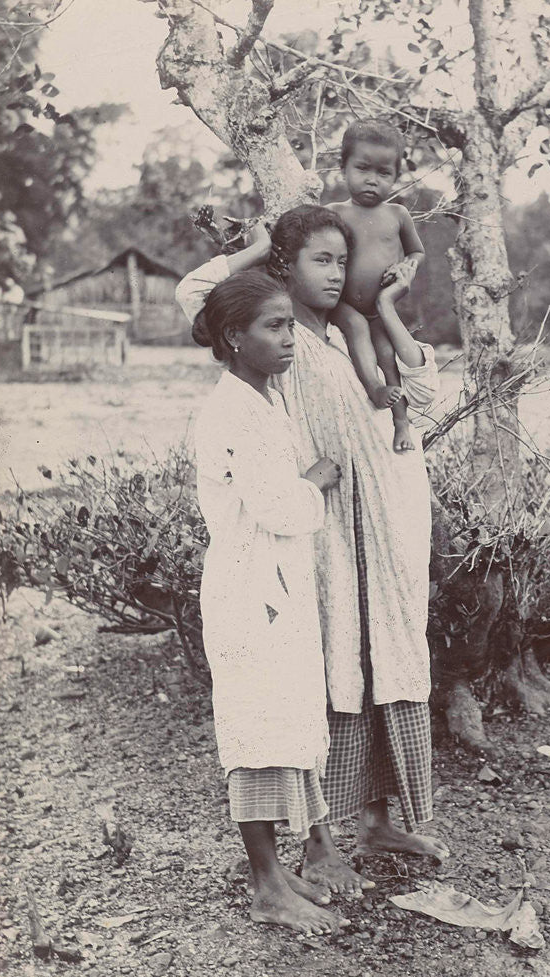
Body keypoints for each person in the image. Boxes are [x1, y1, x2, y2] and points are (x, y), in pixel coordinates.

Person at [177, 206, 449, 900]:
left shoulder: (352, 332)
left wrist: (386, 307)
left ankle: (379, 822)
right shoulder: (278, 340)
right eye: (318, 261)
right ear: (286, 267)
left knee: (389, 659)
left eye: (340, 260)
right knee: (331, 675)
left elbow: (425, 392)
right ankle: (321, 841)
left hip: (387, 530)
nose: (333, 275)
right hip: (320, 539)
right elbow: (191, 298)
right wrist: (258, 248)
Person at [192, 266, 348, 934]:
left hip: (271, 589)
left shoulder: (262, 400)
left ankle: (279, 871)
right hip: (249, 593)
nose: (289, 339)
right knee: (257, 731)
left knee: (284, 722)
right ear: (234, 336)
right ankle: (265, 885)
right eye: (273, 326)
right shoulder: (234, 412)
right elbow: (281, 506)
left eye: (290, 324)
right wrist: (314, 478)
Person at [326, 119, 425, 455]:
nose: (372, 179)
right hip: (343, 305)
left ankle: (400, 422)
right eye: (362, 168)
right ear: (343, 169)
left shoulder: (397, 215)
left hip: (380, 307)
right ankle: (373, 389)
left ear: (396, 178)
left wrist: (404, 266)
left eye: (384, 173)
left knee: (387, 355)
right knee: (355, 331)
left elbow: (416, 251)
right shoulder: (333, 213)